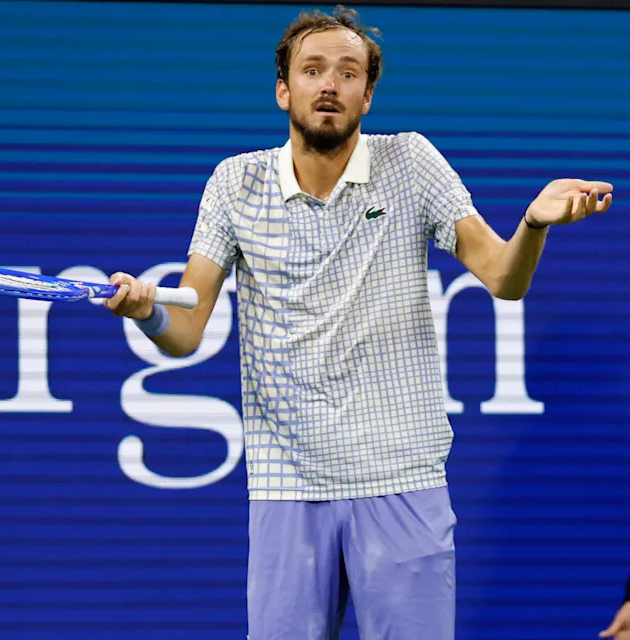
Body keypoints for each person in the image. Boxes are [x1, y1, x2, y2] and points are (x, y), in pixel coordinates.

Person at [104, 5, 614, 639]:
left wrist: (532, 224)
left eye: (348, 73)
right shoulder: (235, 182)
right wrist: (147, 313)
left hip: (403, 480)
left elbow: (504, 279)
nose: (329, 85)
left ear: (367, 95)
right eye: (312, 70)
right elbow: (184, 329)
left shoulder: (411, 163)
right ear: (284, 89)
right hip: (287, 485)